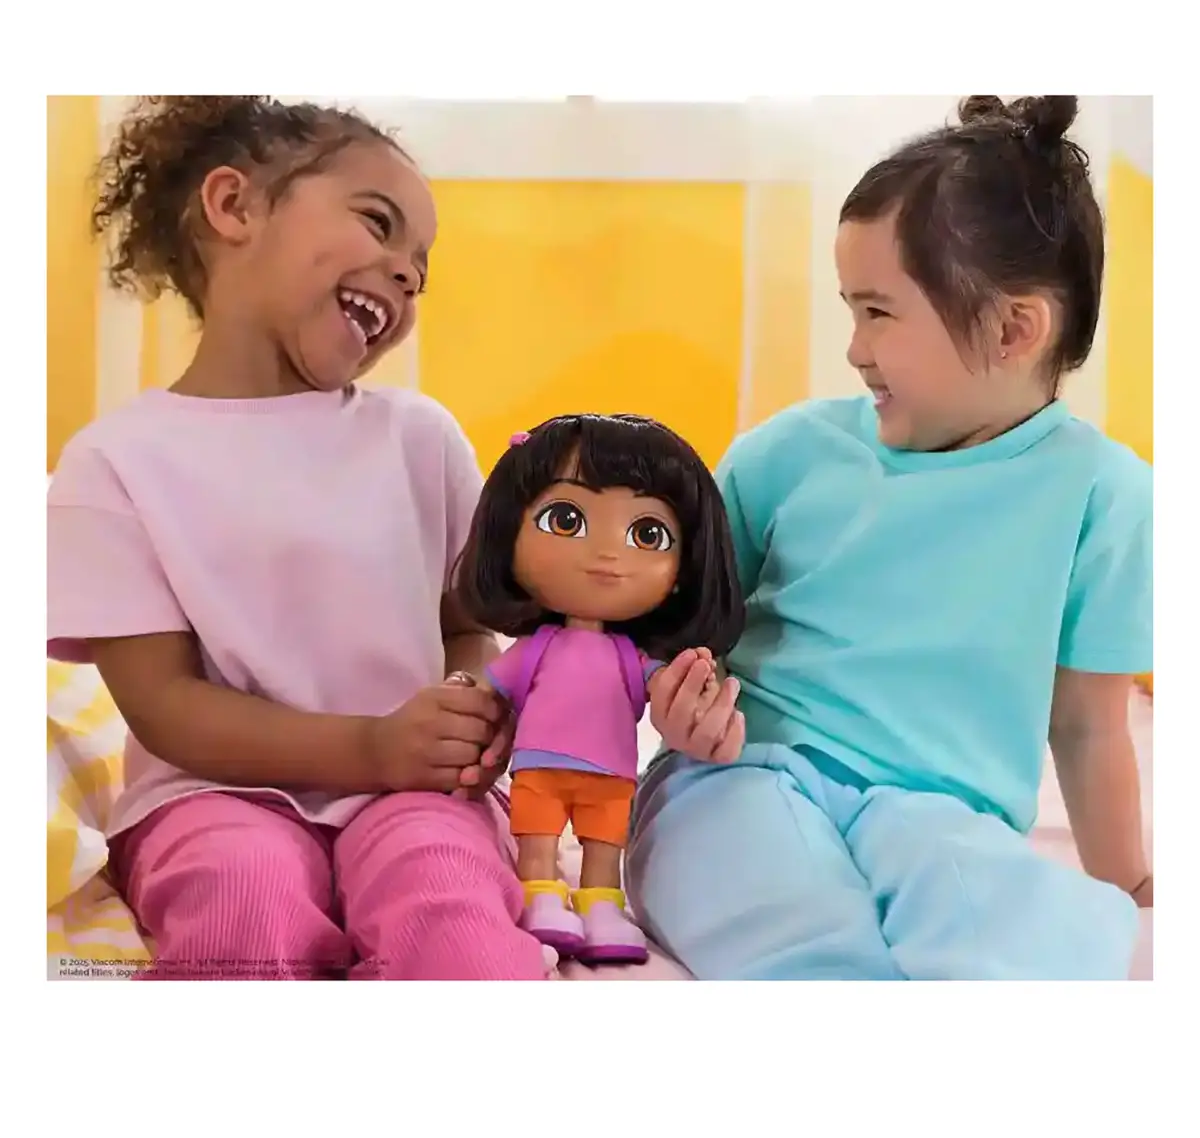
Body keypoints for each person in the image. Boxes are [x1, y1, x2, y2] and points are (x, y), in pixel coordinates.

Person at [627, 95, 1152, 980]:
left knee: (1028, 921)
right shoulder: (785, 455)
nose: (854, 349)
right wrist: (676, 699)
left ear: (1014, 329)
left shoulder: (1106, 496)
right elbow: (676, 631)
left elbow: (1089, 727)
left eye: (877, 312)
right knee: (759, 886)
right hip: (744, 772)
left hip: (941, 813)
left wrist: (1132, 887)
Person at [47, 94, 545, 979]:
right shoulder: (115, 462)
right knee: (241, 906)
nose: (406, 275)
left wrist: (464, 705)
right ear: (233, 206)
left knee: (452, 916)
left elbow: (466, 624)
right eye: (379, 224)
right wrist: (369, 746)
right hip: (210, 797)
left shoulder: (420, 439)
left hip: (416, 794)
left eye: (420, 270)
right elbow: (164, 705)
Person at [454, 415, 745, 964]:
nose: (608, 554)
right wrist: (463, 708)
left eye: (647, 534)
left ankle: (601, 908)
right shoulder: (536, 648)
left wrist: (698, 711)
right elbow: (486, 689)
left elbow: (668, 698)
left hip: (612, 773)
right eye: (566, 520)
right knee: (538, 840)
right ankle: (540, 896)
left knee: (604, 847)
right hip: (538, 767)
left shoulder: (636, 661)